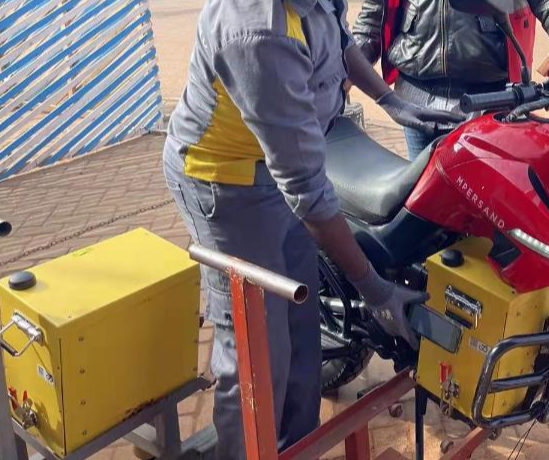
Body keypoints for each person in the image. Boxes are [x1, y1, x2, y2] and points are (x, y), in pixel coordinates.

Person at [162, 0, 462, 458]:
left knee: (302, 333)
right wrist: (375, 290)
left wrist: (390, 100)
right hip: (225, 183)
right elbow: (307, 192)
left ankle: (294, 447)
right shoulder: (258, 32)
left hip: (282, 167)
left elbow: (340, 43)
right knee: (258, 352)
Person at [352, 0, 549, 160]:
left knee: (489, 210)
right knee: (425, 208)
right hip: (416, 101)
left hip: (491, 101)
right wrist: (340, 73)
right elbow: (374, 16)